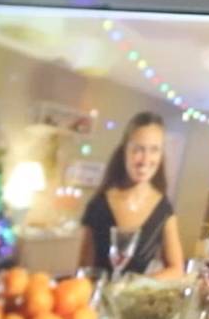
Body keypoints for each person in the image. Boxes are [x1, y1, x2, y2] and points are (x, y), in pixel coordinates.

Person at [78, 112, 187, 280]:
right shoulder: (99, 204)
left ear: (161, 155)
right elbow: (85, 270)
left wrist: (138, 285)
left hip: (138, 296)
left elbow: (176, 269)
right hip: (99, 295)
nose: (145, 159)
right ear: (125, 151)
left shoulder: (164, 208)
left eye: (154, 150)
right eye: (138, 149)